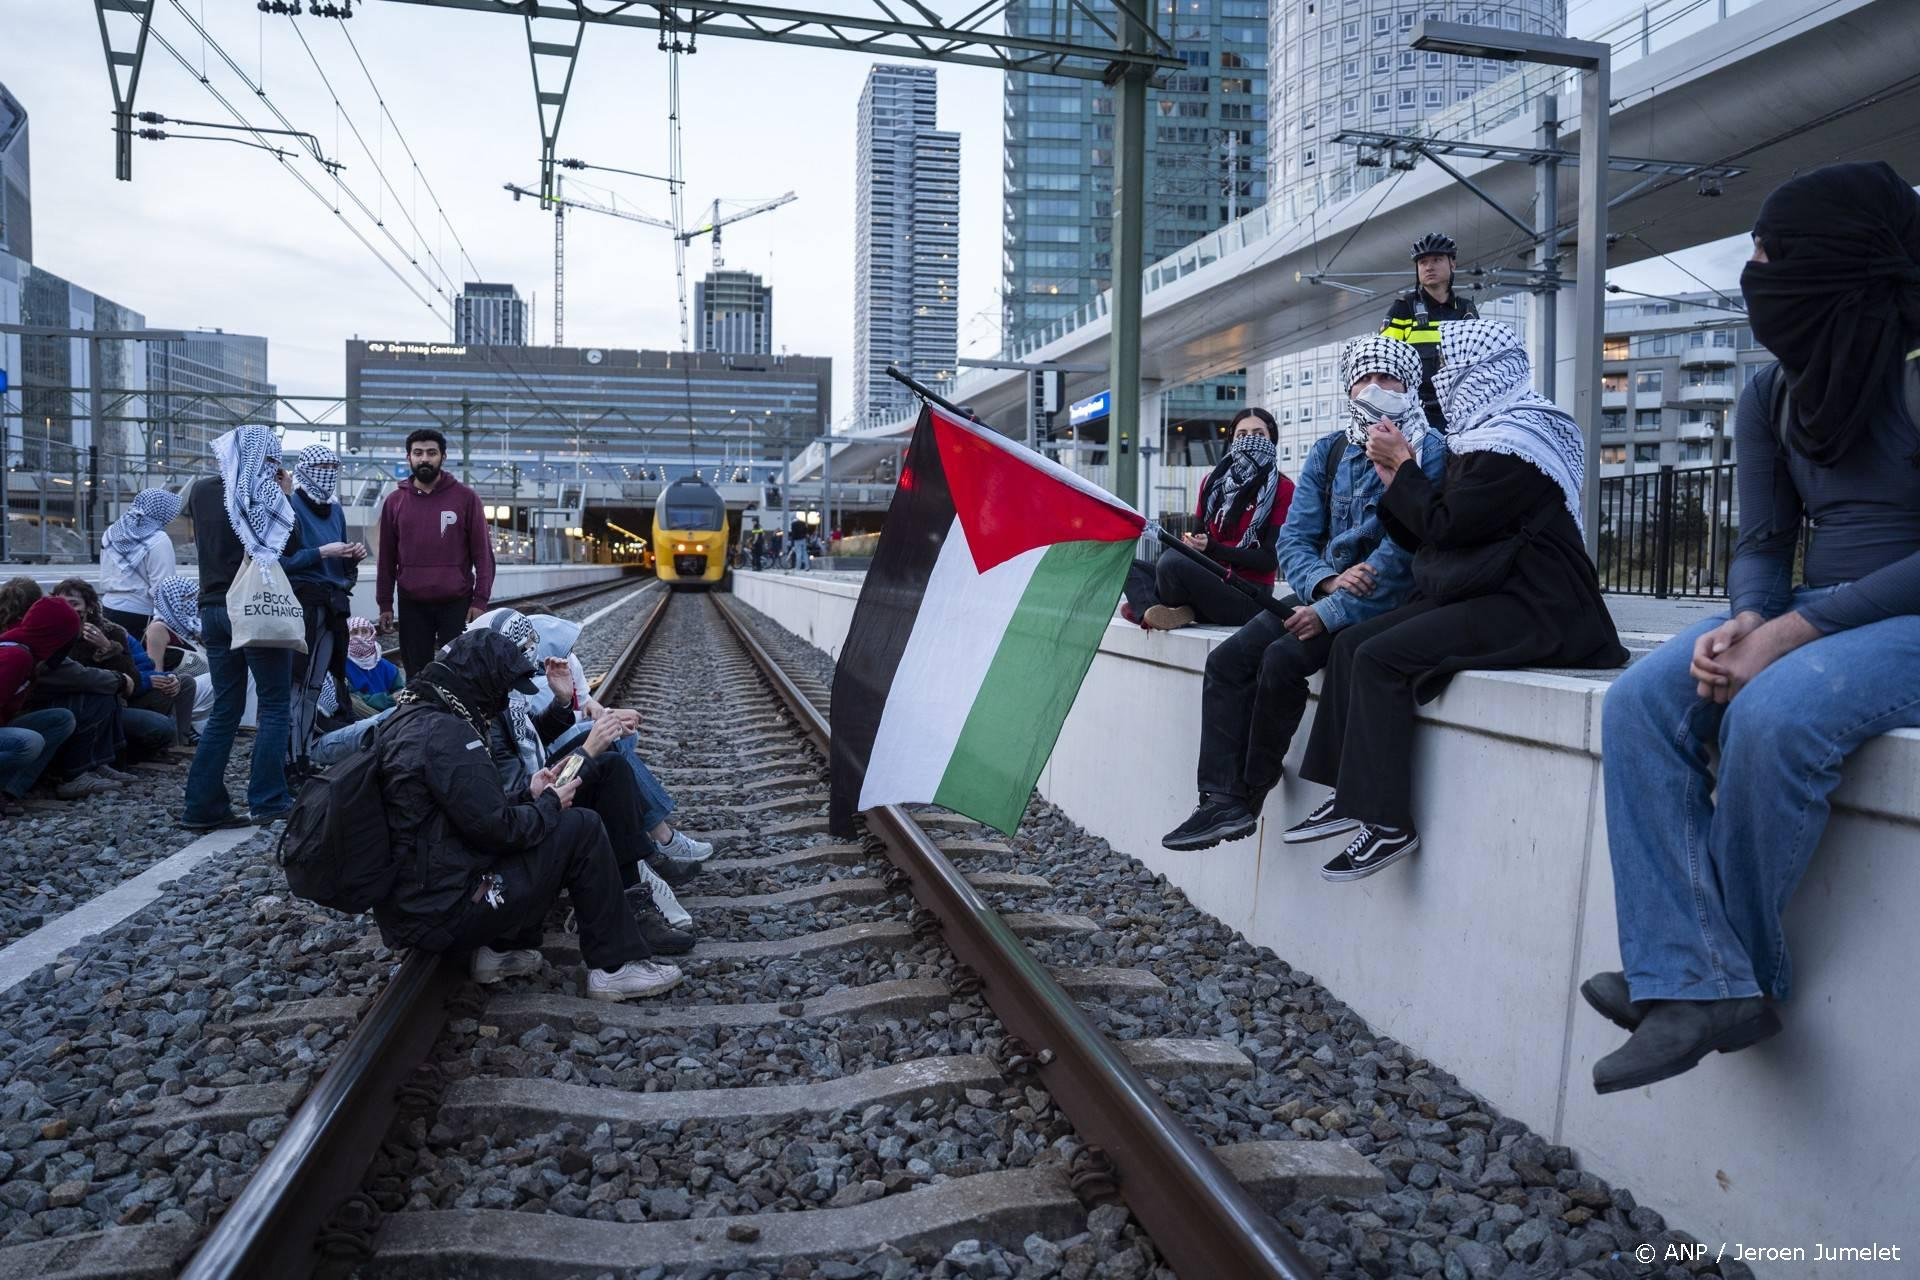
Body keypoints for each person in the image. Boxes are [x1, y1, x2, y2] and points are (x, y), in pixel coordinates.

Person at [1589, 162, 1920, 1095]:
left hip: (1897, 622)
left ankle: (1727, 979)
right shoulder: (1773, 393)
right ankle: (1693, 975)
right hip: (1825, 621)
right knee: (1639, 705)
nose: (1756, 271)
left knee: (1775, 715)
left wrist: (1795, 633)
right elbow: (1764, 540)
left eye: (1775, 254)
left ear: (1837, 261)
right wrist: (1746, 618)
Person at [1285, 320, 1626, 880]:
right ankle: (1351, 795)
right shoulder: (1483, 436)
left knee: (1380, 658)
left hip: (1539, 605)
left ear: (1480, 373)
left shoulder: (1519, 439)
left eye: (1451, 371)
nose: (1442, 383)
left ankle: (1387, 821)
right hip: (1490, 587)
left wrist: (1403, 470)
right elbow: (1433, 531)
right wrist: (1399, 476)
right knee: (1352, 645)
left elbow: (1448, 524)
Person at [1163, 336, 1447, 852]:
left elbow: (1404, 553)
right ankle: (1217, 800)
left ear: (1410, 387)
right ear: (1349, 386)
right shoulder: (1332, 449)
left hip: (1382, 605)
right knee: (1228, 662)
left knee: (1281, 659)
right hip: (1327, 589)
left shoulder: (1428, 451)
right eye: (1366, 380)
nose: (1376, 391)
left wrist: (1333, 607)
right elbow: (1294, 538)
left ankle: (1247, 797)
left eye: (1389, 380)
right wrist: (1324, 583)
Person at [372, 629, 682, 1001]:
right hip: (447, 912)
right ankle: (616, 967)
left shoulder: (422, 719)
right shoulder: (450, 735)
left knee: (593, 784)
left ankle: (501, 950)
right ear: (482, 680)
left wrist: (529, 793)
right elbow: (499, 831)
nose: (504, 700)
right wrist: (550, 801)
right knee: (580, 827)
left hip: (427, 896)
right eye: (502, 688)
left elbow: (467, 813)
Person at [465, 608, 699, 954]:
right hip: (519, 826)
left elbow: (532, 743)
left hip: (528, 805)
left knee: (612, 768)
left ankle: (636, 896)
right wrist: (587, 752)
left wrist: (562, 703)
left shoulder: (499, 699)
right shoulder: (483, 713)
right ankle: (623, 921)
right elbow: (520, 793)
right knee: (598, 786)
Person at [182, 424, 304, 832]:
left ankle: (201, 806)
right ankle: (268, 799)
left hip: (212, 609)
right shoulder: (266, 493)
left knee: (225, 709)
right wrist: (286, 496)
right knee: (272, 705)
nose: (276, 465)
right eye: (273, 457)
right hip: (254, 607)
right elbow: (292, 543)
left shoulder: (200, 490)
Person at [1126, 407, 1295, 630]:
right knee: (1128, 566)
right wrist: (1194, 545)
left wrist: (1213, 549)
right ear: (1232, 440)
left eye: (1258, 434)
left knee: (1171, 562)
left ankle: (1147, 607)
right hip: (1208, 579)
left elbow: (1269, 560)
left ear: (1271, 439)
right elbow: (1200, 536)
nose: (1250, 440)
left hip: (1248, 594)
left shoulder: (1283, 488)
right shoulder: (1212, 483)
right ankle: (1157, 611)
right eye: (1242, 435)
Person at [377, 428, 496, 679]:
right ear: (408, 457)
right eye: (418, 453)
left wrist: (480, 601)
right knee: (416, 674)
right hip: (412, 603)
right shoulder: (395, 501)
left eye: (431, 453)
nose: (424, 459)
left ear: (443, 456)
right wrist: (385, 603)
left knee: (459, 672)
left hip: (457, 602)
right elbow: (386, 559)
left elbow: (483, 555)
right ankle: (420, 717)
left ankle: (456, 717)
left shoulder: (466, 498)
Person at [284, 445, 367, 765]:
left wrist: (350, 557)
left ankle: (304, 752)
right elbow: (283, 562)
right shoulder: (290, 506)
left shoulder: (335, 509)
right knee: (297, 682)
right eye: (321, 465)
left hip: (332, 607)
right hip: (304, 606)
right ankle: (290, 756)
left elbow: (343, 568)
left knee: (316, 684)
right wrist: (323, 553)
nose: (328, 471)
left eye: (334, 466)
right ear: (305, 467)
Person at [49, 578, 179, 762]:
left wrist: (108, 648)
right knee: (159, 725)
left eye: (74, 604)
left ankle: (153, 751)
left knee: (169, 688)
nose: (68, 610)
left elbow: (134, 675)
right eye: (62, 604)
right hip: (83, 704)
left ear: (89, 607)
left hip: (119, 699)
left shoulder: (112, 632)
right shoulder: (51, 631)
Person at [1381, 233, 1481, 432]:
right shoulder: (1403, 308)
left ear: (1452, 263)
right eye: (1422, 262)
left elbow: (1477, 360)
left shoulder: (1466, 310)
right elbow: (1385, 361)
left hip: (1458, 412)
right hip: (1415, 412)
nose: (1428, 267)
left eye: (1436, 260)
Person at [0, 598, 81, 815]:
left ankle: (8, 791)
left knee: (61, 719)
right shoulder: (16, 656)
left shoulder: (25, 649)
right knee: (29, 742)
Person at [98, 487, 184, 635]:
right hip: (140, 614)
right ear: (161, 510)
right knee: (140, 658)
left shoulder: (111, 533)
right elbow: (163, 586)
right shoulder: (158, 539)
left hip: (108, 608)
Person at [145, 574, 211, 745]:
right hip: (183, 690)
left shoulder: (193, 627)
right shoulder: (158, 629)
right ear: (173, 599)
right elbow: (156, 672)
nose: (192, 603)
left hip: (200, 688)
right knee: (227, 677)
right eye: (187, 598)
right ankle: (193, 727)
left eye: (193, 598)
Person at [343, 615, 405, 713]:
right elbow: (354, 700)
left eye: (364, 632)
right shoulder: (343, 667)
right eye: (354, 632)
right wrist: (388, 700)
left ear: (372, 634)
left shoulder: (387, 667)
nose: (360, 637)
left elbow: (399, 690)